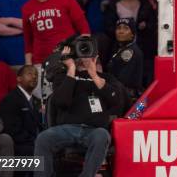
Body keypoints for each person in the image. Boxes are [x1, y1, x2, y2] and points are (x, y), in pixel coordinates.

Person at [34, 44, 123, 177]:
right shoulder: (63, 77)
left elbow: (116, 101)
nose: (84, 56)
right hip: (67, 129)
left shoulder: (107, 78)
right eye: (81, 52)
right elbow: (60, 102)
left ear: (96, 57)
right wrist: (71, 69)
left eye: (87, 52)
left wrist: (93, 74)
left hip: (93, 131)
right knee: (43, 138)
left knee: (102, 135)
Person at [21, 0, 90, 99]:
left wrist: (84, 55)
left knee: (72, 98)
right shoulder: (26, 8)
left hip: (69, 59)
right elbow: (28, 42)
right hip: (41, 63)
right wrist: (29, 67)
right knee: (48, 103)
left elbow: (84, 29)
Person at [103, 0, 156, 86]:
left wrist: (145, 26)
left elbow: (153, 24)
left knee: (143, 81)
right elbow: (108, 27)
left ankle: (142, 103)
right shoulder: (113, 6)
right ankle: (126, 101)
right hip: (120, 48)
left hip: (143, 48)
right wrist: (121, 32)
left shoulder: (145, 4)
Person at [0, 65, 43, 157]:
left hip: (37, 144)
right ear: (19, 78)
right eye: (29, 74)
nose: (34, 77)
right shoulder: (9, 100)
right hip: (20, 147)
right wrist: (36, 142)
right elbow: (11, 130)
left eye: (36, 75)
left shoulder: (37, 101)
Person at [106, 18, 143, 98]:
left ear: (132, 34)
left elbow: (123, 79)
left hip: (127, 98)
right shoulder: (120, 48)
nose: (121, 31)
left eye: (126, 28)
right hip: (120, 93)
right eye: (118, 28)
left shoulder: (130, 51)